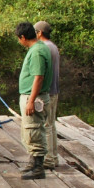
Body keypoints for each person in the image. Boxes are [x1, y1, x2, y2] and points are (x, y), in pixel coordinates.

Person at [15, 22, 52, 180]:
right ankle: (33, 162)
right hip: (31, 95)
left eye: (19, 39)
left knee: (34, 131)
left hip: (35, 97)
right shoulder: (39, 48)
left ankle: (38, 168)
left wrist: (31, 101)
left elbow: (39, 77)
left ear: (23, 37)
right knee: (29, 131)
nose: (19, 42)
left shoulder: (37, 52)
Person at [33, 20, 62, 170]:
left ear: (39, 33)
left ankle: (49, 160)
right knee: (51, 125)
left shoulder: (44, 48)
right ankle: (54, 157)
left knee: (46, 126)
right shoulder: (54, 47)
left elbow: (40, 75)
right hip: (54, 91)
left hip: (47, 93)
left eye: (35, 32)